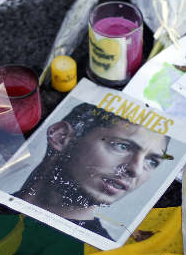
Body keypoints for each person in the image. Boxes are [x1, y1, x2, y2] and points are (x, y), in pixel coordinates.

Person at [11, 103, 172, 240]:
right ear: (61, 137)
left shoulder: (98, 254)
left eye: (151, 162)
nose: (135, 170)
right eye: (122, 146)